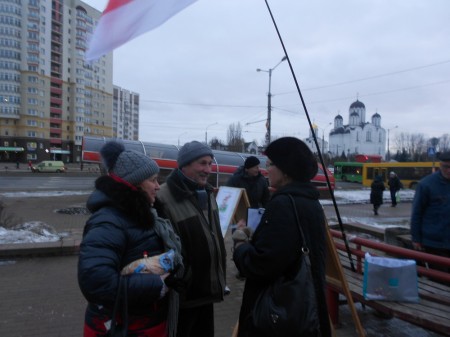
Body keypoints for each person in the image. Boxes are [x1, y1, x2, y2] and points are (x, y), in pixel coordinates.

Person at [78, 141, 183, 337]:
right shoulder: (109, 222)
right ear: (134, 183)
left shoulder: (145, 215)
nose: (158, 186)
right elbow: (96, 283)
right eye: (153, 180)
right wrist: (157, 286)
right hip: (121, 328)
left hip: (145, 324)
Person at [232, 137, 331, 337]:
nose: (266, 169)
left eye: (270, 164)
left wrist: (241, 245)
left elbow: (262, 265)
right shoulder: (311, 203)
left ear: (286, 170)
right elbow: (285, 251)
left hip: (278, 317)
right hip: (306, 312)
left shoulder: (283, 204)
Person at [157, 140, 227, 337]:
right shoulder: (163, 197)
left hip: (207, 290)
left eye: (210, 163)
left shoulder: (207, 193)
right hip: (184, 295)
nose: (208, 169)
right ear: (185, 165)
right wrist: (183, 277)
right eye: (202, 163)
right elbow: (162, 247)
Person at [410, 152, 450, 272]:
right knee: (440, 282)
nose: (449, 170)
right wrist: (416, 238)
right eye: (446, 167)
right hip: (434, 244)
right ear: (440, 165)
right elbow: (417, 213)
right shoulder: (426, 184)